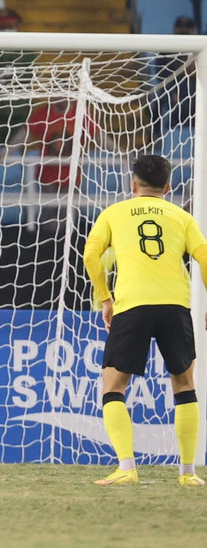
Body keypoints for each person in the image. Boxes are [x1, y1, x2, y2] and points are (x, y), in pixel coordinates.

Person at [82, 154, 207, 486]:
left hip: (132, 305)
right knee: (184, 385)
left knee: (113, 386)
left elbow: (91, 254)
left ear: (133, 184)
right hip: (175, 306)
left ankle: (126, 467)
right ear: (168, 186)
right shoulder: (182, 216)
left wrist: (104, 298)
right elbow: (204, 256)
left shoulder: (114, 213)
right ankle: (188, 472)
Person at [0, 7, 33, 149]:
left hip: (17, 110)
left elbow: (27, 74)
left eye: (10, 26)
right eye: (3, 26)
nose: (7, 30)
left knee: (16, 155)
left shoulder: (26, 47)